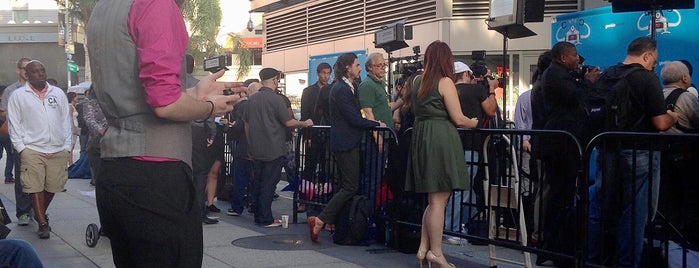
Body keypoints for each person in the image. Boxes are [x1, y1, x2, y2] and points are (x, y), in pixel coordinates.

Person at [87, 0, 242, 266]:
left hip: (114, 169)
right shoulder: (156, 4)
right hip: (156, 177)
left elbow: (143, 96)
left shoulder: (104, 7)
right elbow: (165, 104)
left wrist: (194, 94)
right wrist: (208, 108)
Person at [587, 37, 680, 268]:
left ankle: (594, 260)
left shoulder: (606, 75)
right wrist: (673, 117)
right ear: (647, 55)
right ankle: (627, 264)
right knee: (636, 214)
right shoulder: (646, 78)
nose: (653, 66)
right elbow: (659, 123)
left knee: (601, 208)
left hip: (605, 149)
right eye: (654, 61)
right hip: (639, 153)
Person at [403, 41, 479, 268]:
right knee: (439, 200)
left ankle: (424, 248)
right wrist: (473, 123)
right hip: (440, 138)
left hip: (422, 137)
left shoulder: (416, 80)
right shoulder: (445, 82)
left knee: (432, 199)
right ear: (446, 59)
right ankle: (436, 252)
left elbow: (405, 106)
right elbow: (458, 118)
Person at [308, 52, 385, 241]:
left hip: (347, 141)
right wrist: (376, 124)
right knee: (350, 186)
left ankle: (334, 222)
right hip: (346, 143)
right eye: (357, 65)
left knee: (347, 185)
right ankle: (321, 220)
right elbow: (353, 118)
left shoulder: (346, 87)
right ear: (347, 68)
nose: (360, 69)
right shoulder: (341, 89)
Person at [538, 41, 600, 266]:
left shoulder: (559, 74)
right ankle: (556, 250)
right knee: (559, 197)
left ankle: (556, 247)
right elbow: (574, 98)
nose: (579, 59)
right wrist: (588, 82)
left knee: (561, 197)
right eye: (575, 55)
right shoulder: (555, 75)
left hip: (565, 143)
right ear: (564, 57)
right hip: (561, 145)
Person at [8, 60, 72, 239]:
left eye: (42, 70)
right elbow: (14, 123)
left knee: (53, 186)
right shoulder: (19, 96)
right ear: (27, 75)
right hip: (32, 149)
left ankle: (39, 212)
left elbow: (65, 120)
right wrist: (21, 148)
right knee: (34, 186)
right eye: (35, 72)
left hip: (58, 148)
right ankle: (43, 223)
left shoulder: (57, 93)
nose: (41, 74)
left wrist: (67, 145)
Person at [246, 68, 313, 227]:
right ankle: (265, 218)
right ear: (275, 80)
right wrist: (305, 123)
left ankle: (257, 213)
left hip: (256, 149)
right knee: (269, 184)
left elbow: (246, 125)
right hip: (274, 148)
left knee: (259, 182)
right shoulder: (277, 100)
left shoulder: (252, 100)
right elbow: (288, 122)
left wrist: (251, 143)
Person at [444, 61, 496, 244]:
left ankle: (464, 223)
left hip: (450, 144)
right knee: (462, 188)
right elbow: (490, 110)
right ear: (466, 74)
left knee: (457, 188)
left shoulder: (447, 91)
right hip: (469, 146)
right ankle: (453, 229)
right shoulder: (476, 91)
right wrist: (490, 89)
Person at [1, 57, 32, 226]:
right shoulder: (11, 91)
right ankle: (23, 211)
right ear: (18, 70)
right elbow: (3, 113)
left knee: (40, 178)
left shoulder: (40, 89)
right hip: (19, 140)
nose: (28, 71)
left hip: (39, 140)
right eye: (25, 68)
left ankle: (37, 207)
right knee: (21, 177)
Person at [227, 82, 261, 216]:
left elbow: (241, 125)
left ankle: (237, 207)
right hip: (257, 149)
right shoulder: (260, 106)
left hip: (244, 148)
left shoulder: (244, 106)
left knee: (240, 179)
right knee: (256, 180)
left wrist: (233, 125)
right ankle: (254, 205)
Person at [82, 87, 106, 187]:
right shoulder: (89, 101)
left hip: (113, 139)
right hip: (97, 140)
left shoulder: (110, 100)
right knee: (97, 169)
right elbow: (89, 119)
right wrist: (101, 130)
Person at [66, 92, 79, 165]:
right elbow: (70, 117)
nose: (77, 98)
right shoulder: (70, 106)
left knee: (72, 147)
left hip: (75, 127)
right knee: (70, 147)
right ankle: (70, 163)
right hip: (72, 128)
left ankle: (71, 162)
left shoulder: (73, 106)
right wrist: (73, 127)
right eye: (76, 96)